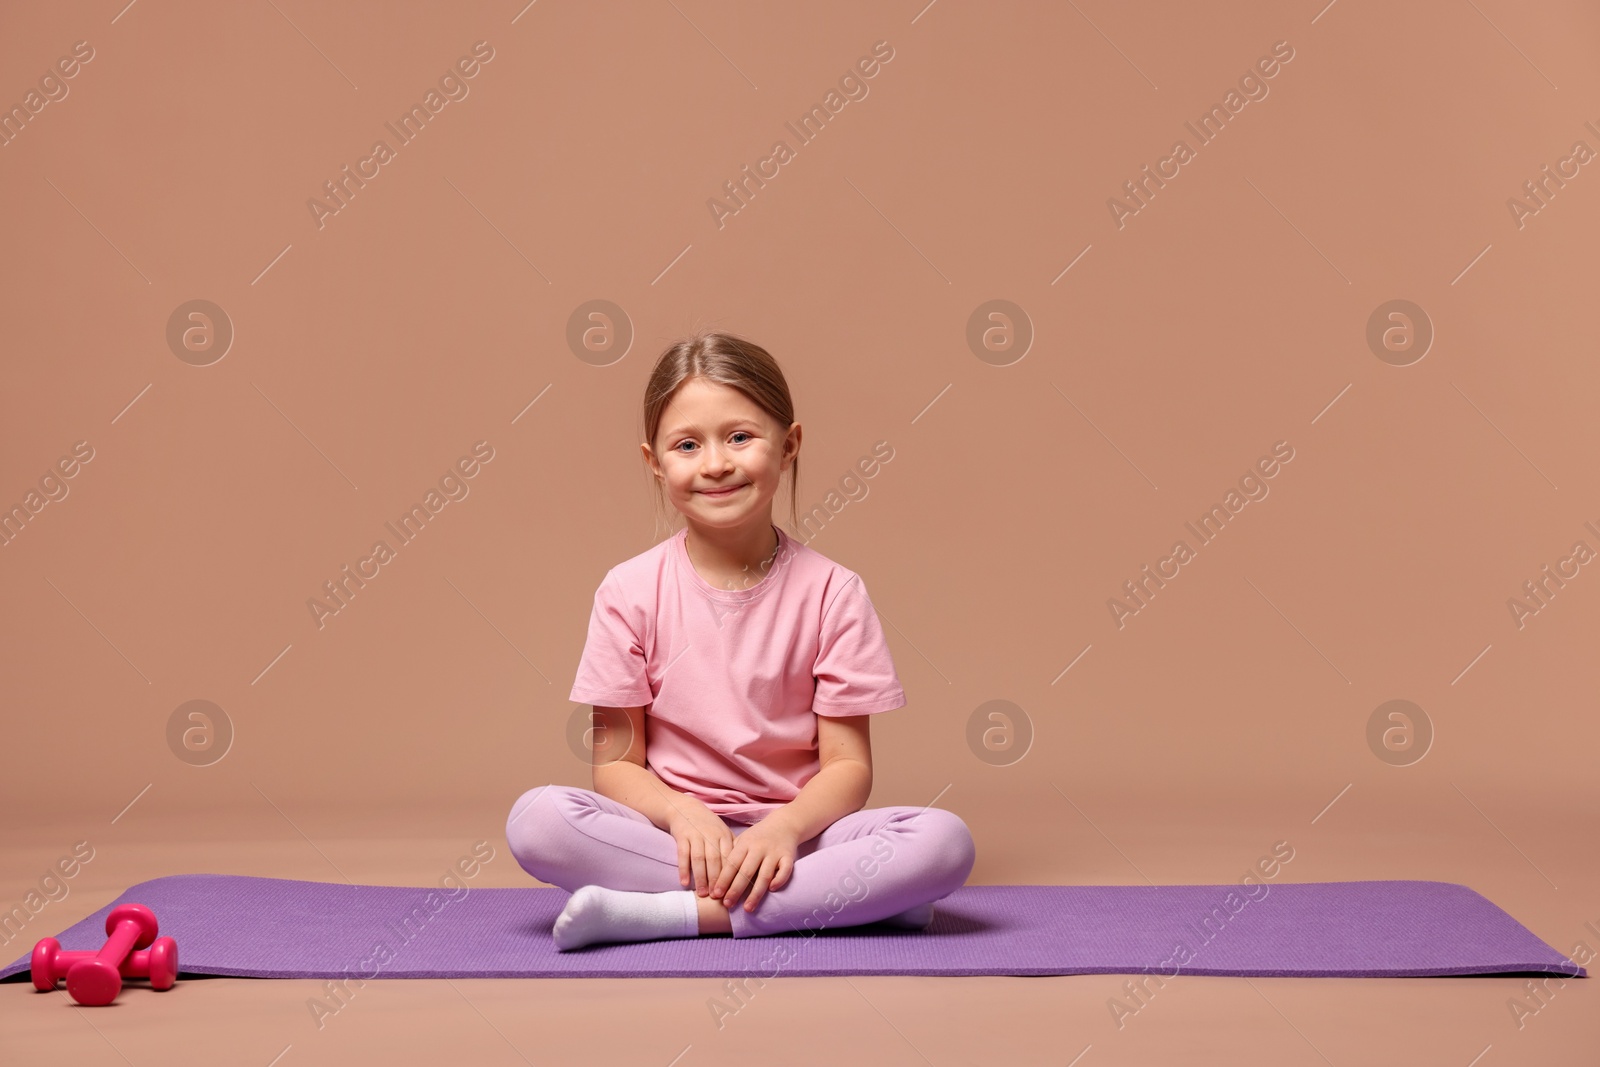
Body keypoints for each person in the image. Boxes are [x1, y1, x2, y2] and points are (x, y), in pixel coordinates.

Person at [505, 329, 976, 950]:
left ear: (789, 446)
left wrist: (782, 830)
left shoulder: (834, 591)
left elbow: (848, 766)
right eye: (687, 445)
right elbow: (616, 763)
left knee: (943, 841)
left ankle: (673, 916)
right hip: (675, 841)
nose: (716, 463)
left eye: (740, 437)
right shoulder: (627, 591)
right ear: (655, 462)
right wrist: (682, 813)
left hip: (800, 838)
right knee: (537, 819)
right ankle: (841, 902)